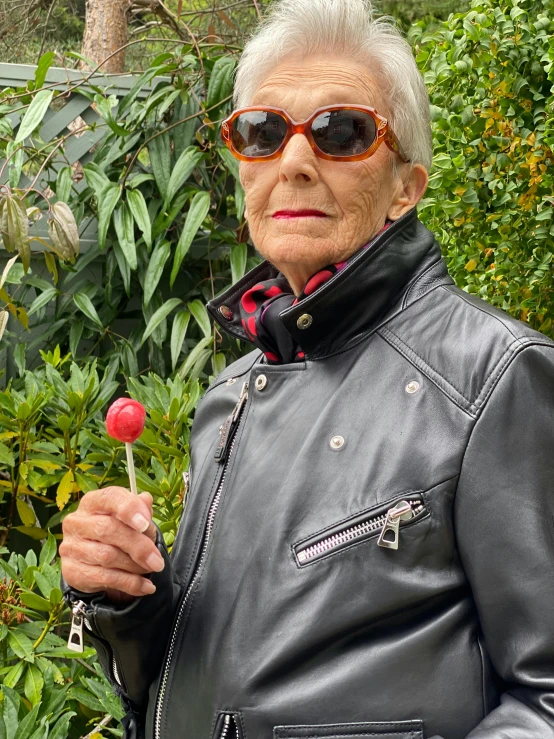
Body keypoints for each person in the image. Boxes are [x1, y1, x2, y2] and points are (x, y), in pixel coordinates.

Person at [59, 1, 554, 737]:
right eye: (262, 132)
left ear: (404, 188)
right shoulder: (228, 399)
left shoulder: (492, 377)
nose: (293, 161)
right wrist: (127, 597)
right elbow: (182, 681)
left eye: (341, 132)